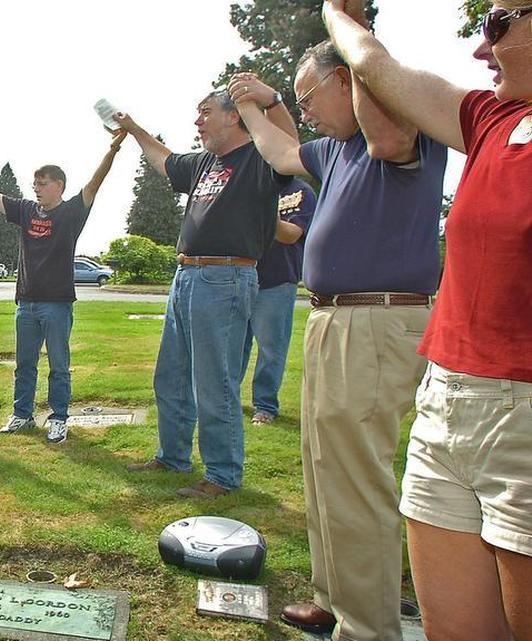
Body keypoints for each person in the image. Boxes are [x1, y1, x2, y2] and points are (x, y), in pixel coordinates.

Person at [228, 16, 448, 639]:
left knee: (356, 473)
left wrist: (352, 49)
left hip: (376, 320)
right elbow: (277, 149)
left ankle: (367, 624)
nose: (304, 112)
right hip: (333, 318)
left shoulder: (402, 130)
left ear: (348, 81)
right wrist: (256, 106)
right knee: (324, 464)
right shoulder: (334, 150)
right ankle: (334, 597)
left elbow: (384, 134)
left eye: (307, 97)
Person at [321, 1, 532, 639]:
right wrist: (340, 11)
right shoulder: (490, 117)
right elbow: (373, 64)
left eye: (497, 24)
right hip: (446, 403)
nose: (478, 49)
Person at [119, 92, 296, 498]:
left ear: (235, 117)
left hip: (227, 277)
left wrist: (271, 101)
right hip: (186, 276)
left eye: (205, 113)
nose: (197, 121)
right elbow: (164, 160)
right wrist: (133, 130)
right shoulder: (203, 164)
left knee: (214, 382)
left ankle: (222, 475)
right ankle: (173, 455)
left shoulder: (259, 158)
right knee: (172, 376)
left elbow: (290, 145)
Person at [0, 129, 126, 445]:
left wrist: (111, 150)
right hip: (26, 303)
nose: (36, 188)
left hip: (57, 304)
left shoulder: (71, 212)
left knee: (59, 366)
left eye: (42, 183)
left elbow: (95, 184)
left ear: (59, 186)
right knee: (24, 365)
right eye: (35, 184)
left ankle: (58, 419)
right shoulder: (27, 211)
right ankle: (22, 415)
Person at [240, 177, 317, 425]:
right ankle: (226, 400)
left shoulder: (299, 191)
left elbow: (292, 234)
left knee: (271, 348)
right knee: (232, 347)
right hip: (238, 277)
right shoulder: (245, 184)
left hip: (277, 280)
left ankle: (264, 406)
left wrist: (264, 204)